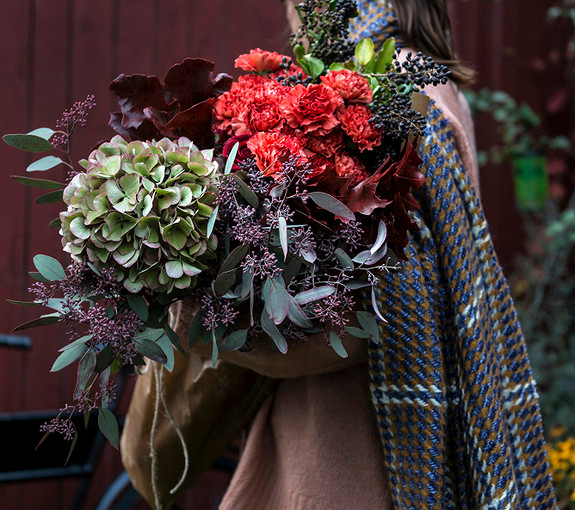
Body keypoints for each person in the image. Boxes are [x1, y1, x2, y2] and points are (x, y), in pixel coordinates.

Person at [121, 1, 558, 509]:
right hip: (385, 436)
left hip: (347, 459)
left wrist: (200, 312)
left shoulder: (386, 91)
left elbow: (368, 317)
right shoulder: (435, 88)